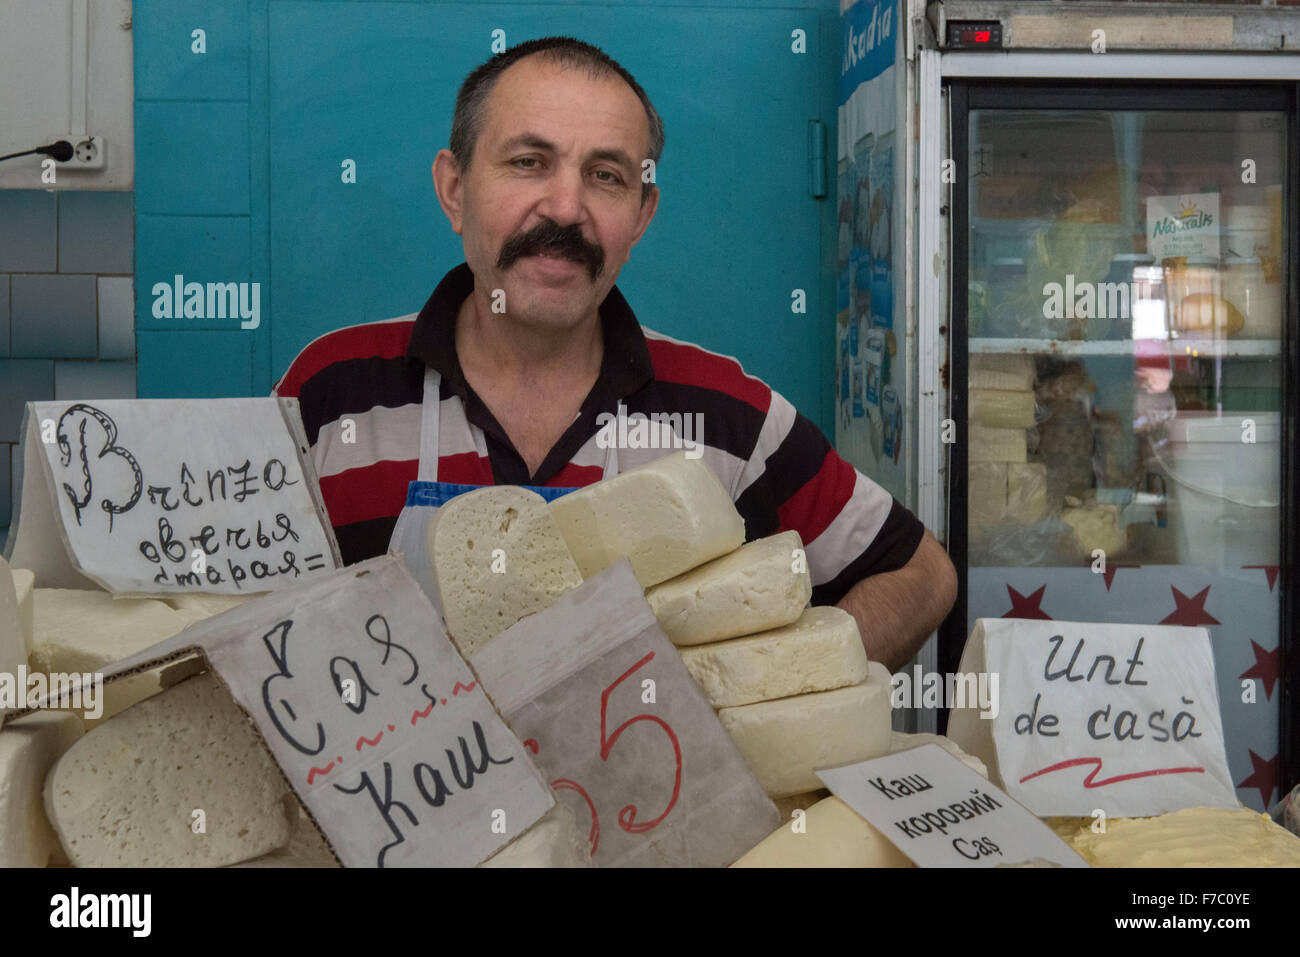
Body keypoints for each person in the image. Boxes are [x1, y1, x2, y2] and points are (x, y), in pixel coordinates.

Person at [273, 36, 956, 671]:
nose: (566, 208)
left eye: (606, 176)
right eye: (528, 162)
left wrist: (759, 695)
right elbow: (228, 634)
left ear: (642, 214)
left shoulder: (729, 420)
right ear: (455, 190)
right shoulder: (330, 396)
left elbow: (923, 574)